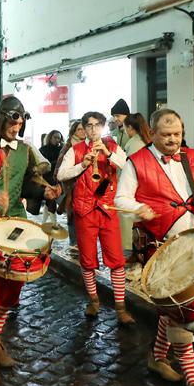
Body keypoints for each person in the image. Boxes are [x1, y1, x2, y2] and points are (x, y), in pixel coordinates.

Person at [113, 108, 194, 386]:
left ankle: (157, 358)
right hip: (161, 247)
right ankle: (193, 380)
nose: (172, 140)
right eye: (165, 135)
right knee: (184, 310)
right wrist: (137, 208)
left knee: (172, 310)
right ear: (151, 134)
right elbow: (120, 199)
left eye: (177, 134)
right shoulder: (137, 162)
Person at [0, 96, 61, 386]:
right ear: (1, 120)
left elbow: (25, 185)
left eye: (20, 124)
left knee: (11, 293)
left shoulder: (25, 150)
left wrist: (43, 194)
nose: (15, 128)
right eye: (12, 122)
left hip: (16, 224)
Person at [56, 111, 134, 324]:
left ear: (102, 127)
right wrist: (82, 164)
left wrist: (107, 154)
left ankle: (120, 307)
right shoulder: (76, 150)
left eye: (96, 125)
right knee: (88, 260)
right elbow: (61, 174)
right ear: (84, 128)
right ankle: (93, 300)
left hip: (107, 208)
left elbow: (127, 166)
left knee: (116, 260)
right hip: (85, 210)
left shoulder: (112, 145)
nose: (92, 129)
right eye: (88, 126)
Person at [119, 113, 150, 254]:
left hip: (133, 192)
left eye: (125, 128)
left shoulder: (134, 144)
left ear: (130, 128)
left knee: (130, 232)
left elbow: (130, 170)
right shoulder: (144, 141)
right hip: (142, 192)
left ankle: (132, 259)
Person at [55, 120, 88, 249]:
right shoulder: (69, 147)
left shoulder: (89, 145)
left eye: (84, 129)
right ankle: (74, 245)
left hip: (86, 188)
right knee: (73, 217)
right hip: (72, 188)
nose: (83, 131)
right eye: (79, 129)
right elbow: (58, 171)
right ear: (73, 131)